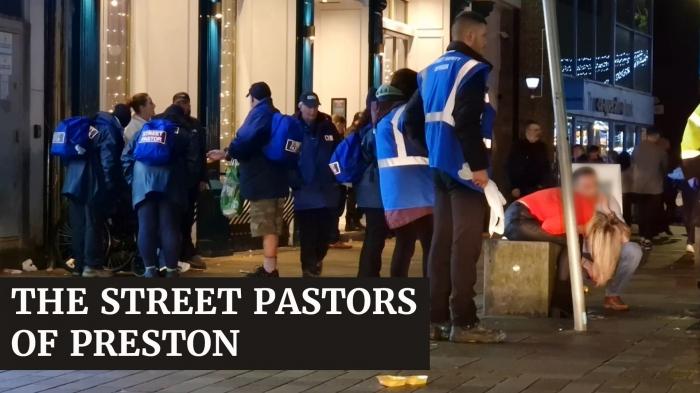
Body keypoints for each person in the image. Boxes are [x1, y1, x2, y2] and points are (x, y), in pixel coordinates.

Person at [404, 11, 505, 343]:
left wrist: (432, 149)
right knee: (466, 244)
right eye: (486, 37)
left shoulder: (429, 72)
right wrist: (478, 166)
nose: (488, 43)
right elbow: (466, 121)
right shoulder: (472, 71)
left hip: (439, 168)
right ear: (472, 37)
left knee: (441, 242)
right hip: (464, 170)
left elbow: (409, 122)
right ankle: (464, 321)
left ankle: (434, 320)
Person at [207, 82, 290, 277]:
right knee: (272, 226)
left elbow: (245, 139)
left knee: (267, 226)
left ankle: (270, 272)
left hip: (262, 180)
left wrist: (229, 152)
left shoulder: (260, 114)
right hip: (276, 178)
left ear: (253, 98)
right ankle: (269, 268)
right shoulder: (274, 113)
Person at [123, 103, 200, 278]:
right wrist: (185, 184)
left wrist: (132, 180)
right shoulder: (182, 133)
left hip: (142, 181)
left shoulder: (143, 131)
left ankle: (149, 269)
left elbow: (126, 156)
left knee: (145, 226)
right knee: (169, 227)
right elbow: (193, 163)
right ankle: (171, 270)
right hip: (170, 183)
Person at [375, 73, 434, 278]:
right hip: (421, 187)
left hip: (394, 192)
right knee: (430, 244)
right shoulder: (412, 113)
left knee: (404, 244)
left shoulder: (382, 119)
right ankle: (430, 294)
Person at [63, 104, 130, 278]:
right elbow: (108, 161)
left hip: (73, 181)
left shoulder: (89, 123)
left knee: (79, 225)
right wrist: (109, 186)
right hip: (92, 182)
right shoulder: (109, 129)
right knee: (93, 224)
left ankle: (79, 267)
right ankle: (92, 266)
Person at [291, 92, 341, 277]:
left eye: (315, 106)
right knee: (308, 233)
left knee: (326, 233)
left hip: (327, 190)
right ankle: (309, 268)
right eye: (308, 106)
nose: (312, 110)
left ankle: (317, 258)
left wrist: (338, 177)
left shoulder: (327, 127)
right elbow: (287, 156)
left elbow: (338, 152)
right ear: (300, 105)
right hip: (304, 190)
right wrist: (294, 179)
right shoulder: (292, 126)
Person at [171, 92, 209, 270]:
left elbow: (201, 153)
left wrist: (203, 178)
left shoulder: (195, 125)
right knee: (175, 218)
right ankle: (178, 253)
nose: (183, 106)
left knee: (187, 219)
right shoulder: (168, 123)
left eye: (185, 103)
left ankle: (186, 251)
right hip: (174, 181)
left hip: (191, 181)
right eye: (179, 103)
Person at [355, 89, 389, 277]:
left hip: (370, 190)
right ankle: (368, 276)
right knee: (375, 237)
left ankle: (369, 275)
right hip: (373, 190)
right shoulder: (372, 129)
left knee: (375, 236)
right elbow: (375, 152)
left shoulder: (365, 127)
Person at [631, 128, 668, 250]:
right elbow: (665, 167)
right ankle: (647, 238)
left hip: (638, 186)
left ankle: (642, 236)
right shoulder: (660, 150)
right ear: (656, 136)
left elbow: (633, 163)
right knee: (651, 214)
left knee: (641, 212)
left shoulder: (636, 148)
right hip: (654, 187)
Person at [507, 120, 550, 199]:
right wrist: (514, 186)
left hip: (537, 187)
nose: (537, 132)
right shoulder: (518, 146)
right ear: (528, 130)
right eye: (535, 130)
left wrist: (543, 184)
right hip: (521, 187)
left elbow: (546, 166)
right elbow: (511, 166)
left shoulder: (542, 147)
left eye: (538, 130)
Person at [328, 114, 353, 249]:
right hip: (337, 180)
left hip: (336, 180)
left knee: (336, 209)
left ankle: (333, 236)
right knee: (335, 209)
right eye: (341, 125)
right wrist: (340, 176)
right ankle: (333, 238)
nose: (343, 128)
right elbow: (335, 161)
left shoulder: (336, 139)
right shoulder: (337, 141)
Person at [343, 112, 365, 232]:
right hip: (352, 168)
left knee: (357, 196)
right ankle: (350, 220)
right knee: (352, 196)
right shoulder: (352, 132)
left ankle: (355, 219)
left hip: (358, 167)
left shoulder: (357, 131)